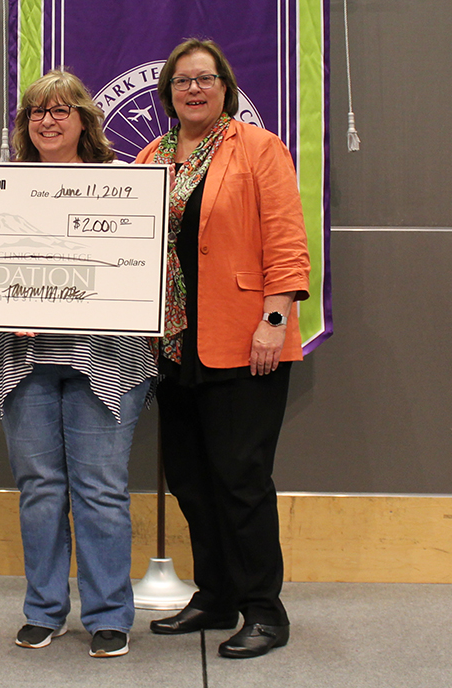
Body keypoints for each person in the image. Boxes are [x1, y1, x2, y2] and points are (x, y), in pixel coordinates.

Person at [134, 39, 310, 659]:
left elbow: (287, 239)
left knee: (241, 479)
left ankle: (266, 610)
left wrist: (274, 318)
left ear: (225, 87)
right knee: (189, 478)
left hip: (244, 339)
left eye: (205, 79)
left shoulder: (259, 148)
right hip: (174, 346)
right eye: (181, 81)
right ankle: (216, 596)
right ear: (168, 94)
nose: (193, 89)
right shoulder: (153, 155)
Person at [0, 70, 157, 659]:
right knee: (40, 488)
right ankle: (45, 610)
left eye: (59, 111)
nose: (47, 122)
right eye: (35, 113)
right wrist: (8, 303)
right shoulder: (1, 187)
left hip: (105, 358)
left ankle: (108, 614)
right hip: (23, 359)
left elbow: (140, 269)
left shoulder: (125, 185)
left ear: (84, 119)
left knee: (101, 488)